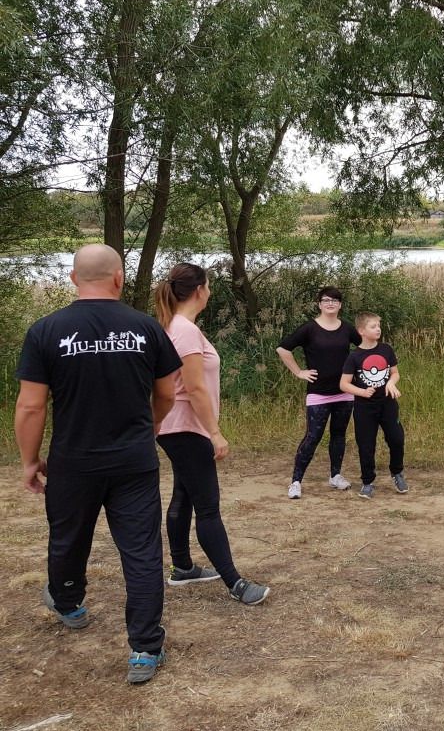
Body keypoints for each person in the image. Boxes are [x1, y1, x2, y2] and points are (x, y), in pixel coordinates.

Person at [14, 244, 181, 684]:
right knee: (142, 552)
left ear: (73, 279)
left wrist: (29, 461)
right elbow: (167, 392)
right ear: (119, 278)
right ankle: (145, 649)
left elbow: (31, 406)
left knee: (68, 539)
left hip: (73, 461)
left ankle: (69, 603)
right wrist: (152, 426)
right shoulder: (146, 327)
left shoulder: (46, 330)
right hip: (134, 461)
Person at [153, 263, 271, 606]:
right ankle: (235, 583)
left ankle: (183, 568)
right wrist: (215, 432)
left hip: (175, 426)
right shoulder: (185, 330)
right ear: (199, 290)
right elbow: (194, 388)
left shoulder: (173, 326)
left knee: (184, 494)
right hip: (186, 427)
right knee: (208, 507)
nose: (211, 291)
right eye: (209, 285)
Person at [276, 286, 362, 499]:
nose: (330, 303)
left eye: (334, 300)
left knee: (339, 434)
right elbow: (283, 349)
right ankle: (296, 481)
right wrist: (299, 372)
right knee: (313, 436)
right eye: (326, 300)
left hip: (344, 392)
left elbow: (365, 348)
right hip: (318, 393)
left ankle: (335, 476)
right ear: (319, 304)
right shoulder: (309, 328)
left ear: (340, 305)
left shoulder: (347, 329)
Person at [339, 312, 406, 499]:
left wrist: (391, 383)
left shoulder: (386, 350)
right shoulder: (354, 356)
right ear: (361, 331)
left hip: (388, 405)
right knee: (366, 445)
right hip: (364, 408)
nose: (378, 329)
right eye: (373, 326)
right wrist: (362, 392)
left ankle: (397, 472)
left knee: (397, 438)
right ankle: (367, 482)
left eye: (379, 326)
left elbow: (395, 373)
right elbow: (343, 384)